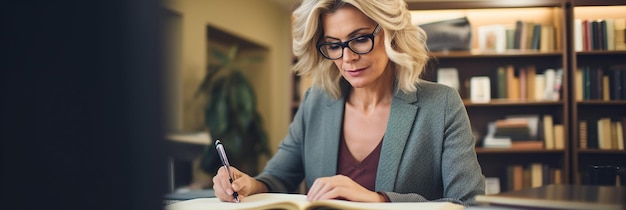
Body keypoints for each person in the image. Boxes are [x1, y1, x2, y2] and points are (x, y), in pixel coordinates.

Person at [212, 0, 485, 205]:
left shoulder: (441, 104)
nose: (347, 58)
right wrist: (248, 184)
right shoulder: (316, 102)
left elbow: (469, 203)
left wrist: (378, 201)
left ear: (391, 33)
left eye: (360, 39)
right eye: (334, 44)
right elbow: (276, 178)